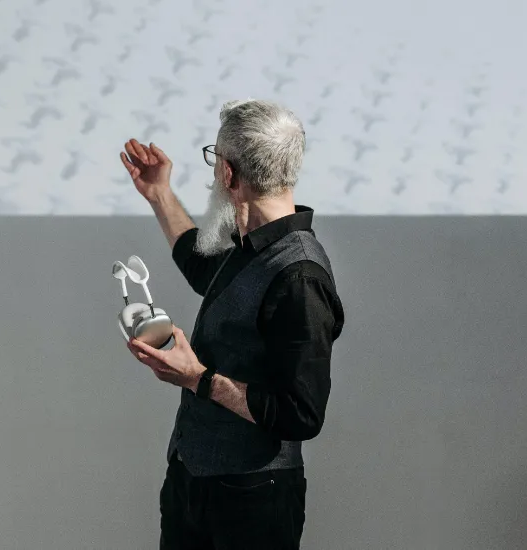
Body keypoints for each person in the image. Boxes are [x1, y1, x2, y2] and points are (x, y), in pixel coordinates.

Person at [119, 100, 345, 549]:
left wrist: (197, 379)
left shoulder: (299, 276)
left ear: (228, 172)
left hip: (252, 499)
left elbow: (300, 414)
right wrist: (160, 194)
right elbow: (202, 267)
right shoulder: (249, 242)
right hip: (192, 482)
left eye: (215, 158)